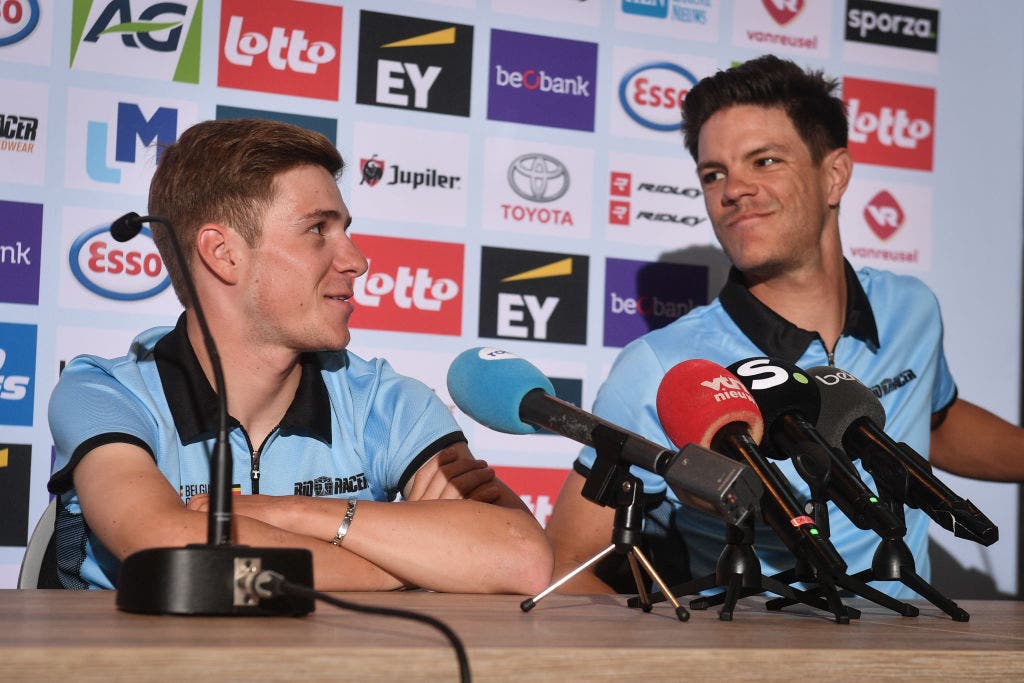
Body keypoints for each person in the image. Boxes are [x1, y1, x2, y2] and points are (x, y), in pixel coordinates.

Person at [546, 55, 1024, 597]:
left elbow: (932, 422)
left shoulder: (911, 308)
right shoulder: (659, 367)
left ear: (834, 175)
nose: (734, 190)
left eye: (765, 161)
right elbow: (568, 565)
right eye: (714, 173)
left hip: (914, 653)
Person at [48, 118, 553, 593]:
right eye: (318, 230)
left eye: (345, 230)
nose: (356, 260)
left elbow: (520, 557)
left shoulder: (383, 400)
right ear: (222, 253)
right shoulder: (105, 391)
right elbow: (168, 552)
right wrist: (419, 566)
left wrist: (292, 513)